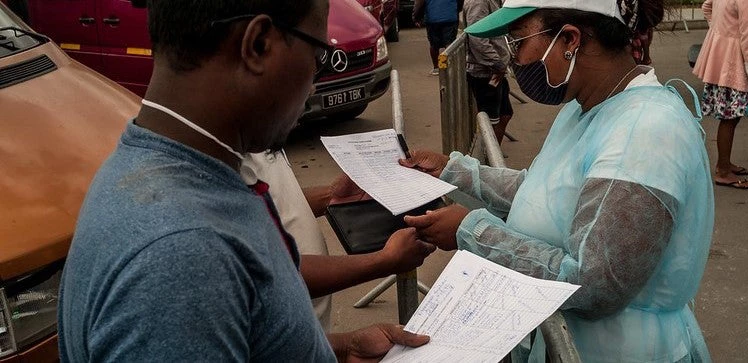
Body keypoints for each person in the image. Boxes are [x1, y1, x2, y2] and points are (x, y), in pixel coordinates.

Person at [57, 0, 433, 361]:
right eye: (318, 59)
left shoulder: (180, 171)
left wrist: (342, 348)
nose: (315, 86)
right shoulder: (180, 258)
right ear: (258, 45)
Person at [400, 0, 714, 361]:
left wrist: (474, 232)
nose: (514, 60)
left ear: (569, 40)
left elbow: (595, 284)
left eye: (518, 42)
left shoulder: (645, 132)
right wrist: (453, 171)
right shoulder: (586, 107)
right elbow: (542, 191)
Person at [247, 150, 436, 331]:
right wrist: (383, 261)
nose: (298, 118)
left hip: (307, 328)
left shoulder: (255, 139)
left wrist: (331, 196)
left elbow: (276, 204)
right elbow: (264, 275)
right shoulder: (234, 159)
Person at [693, 0, 748, 190]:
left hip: (722, 57)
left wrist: (721, 34)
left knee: (730, 116)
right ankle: (723, 171)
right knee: (730, 117)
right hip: (735, 61)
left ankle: (725, 165)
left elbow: (706, 6)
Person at [463, 0, 513, 144]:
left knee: (505, 114)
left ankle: (492, 154)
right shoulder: (478, 2)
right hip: (485, 72)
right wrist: (495, 61)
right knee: (491, 121)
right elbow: (477, 35)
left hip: (496, 70)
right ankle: (489, 157)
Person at [413, 0, 464, 75]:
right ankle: (448, 67)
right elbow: (460, 2)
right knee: (449, 43)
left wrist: (416, 17)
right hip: (450, 16)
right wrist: (455, 9)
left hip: (433, 18)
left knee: (434, 45)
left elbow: (419, 3)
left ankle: (437, 68)